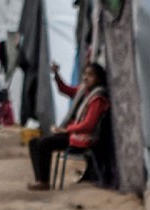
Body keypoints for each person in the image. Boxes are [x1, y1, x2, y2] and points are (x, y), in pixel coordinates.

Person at [26, 61, 109, 191]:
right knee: (34, 143)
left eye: (90, 75)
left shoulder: (97, 98)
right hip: (73, 133)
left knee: (44, 143)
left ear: (98, 78)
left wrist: (67, 129)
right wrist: (57, 75)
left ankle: (43, 181)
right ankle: (41, 179)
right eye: (85, 74)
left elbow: (88, 125)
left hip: (82, 138)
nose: (86, 78)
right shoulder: (84, 91)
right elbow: (65, 90)